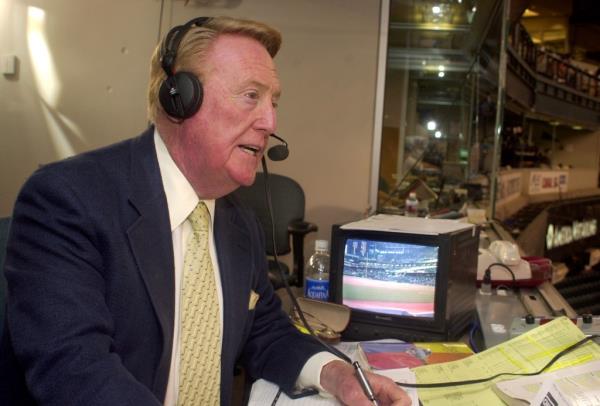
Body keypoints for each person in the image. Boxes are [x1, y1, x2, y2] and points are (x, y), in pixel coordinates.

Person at [0, 16, 410, 406]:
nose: (269, 121)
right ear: (179, 98)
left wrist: (338, 375)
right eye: (251, 96)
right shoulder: (67, 199)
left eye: (273, 103)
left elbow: (264, 331)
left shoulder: (238, 222)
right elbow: (76, 373)